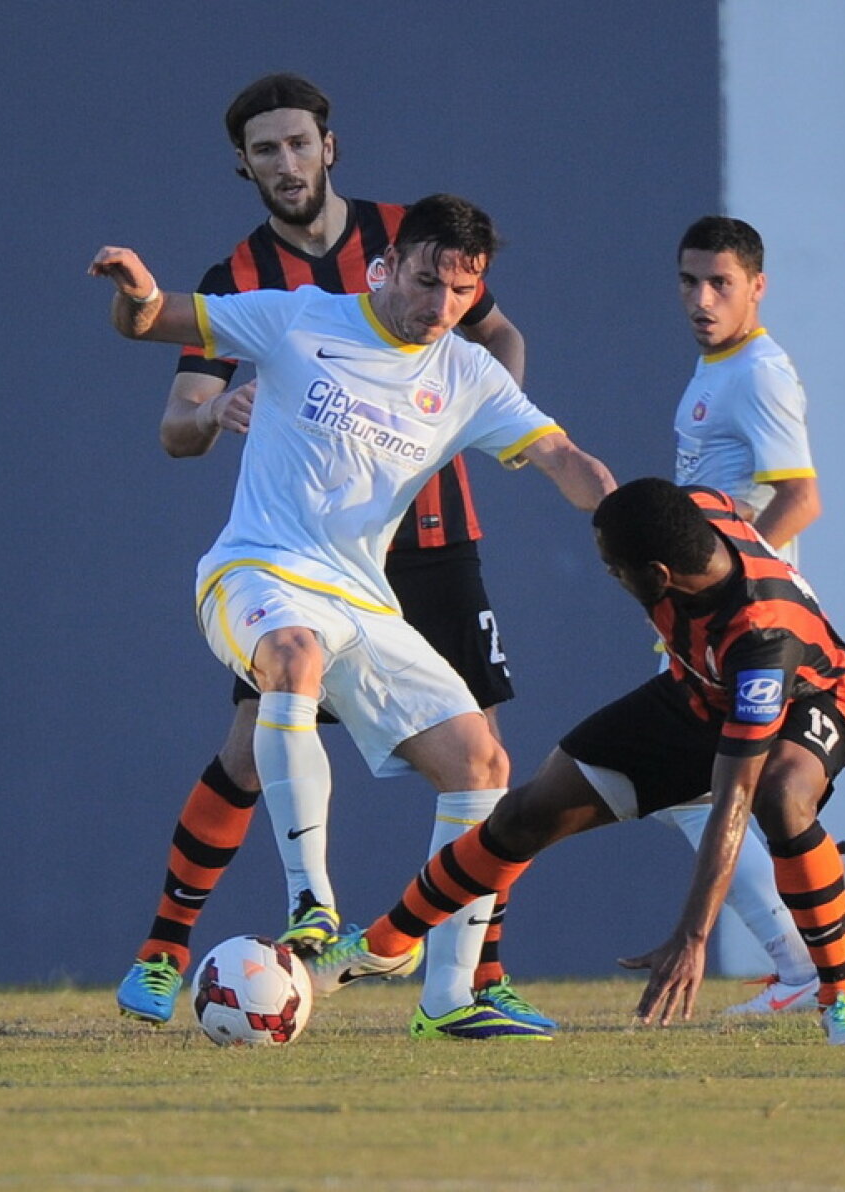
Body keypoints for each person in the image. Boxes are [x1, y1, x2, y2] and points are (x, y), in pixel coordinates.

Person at [89, 193, 617, 1040]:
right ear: (385, 268)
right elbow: (151, 321)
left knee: (481, 762)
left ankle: (449, 1000)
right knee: (290, 657)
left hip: (365, 600)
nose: (439, 306)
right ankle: (312, 907)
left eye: (460, 291)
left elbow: (561, 456)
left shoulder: (466, 374)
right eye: (425, 281)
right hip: (256, 569)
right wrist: (138, 292)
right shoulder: (297, 319)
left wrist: (627, 519)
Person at [307, 478, 845, 1047]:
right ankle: (383, 946)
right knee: (524, 816)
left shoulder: (760, 640)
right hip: (697, 695)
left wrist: (692, 935)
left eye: (615, 566)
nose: (610, 573)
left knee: (780, 797)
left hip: (810, 698)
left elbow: (732, 798)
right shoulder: (696, 512)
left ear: (659, 575)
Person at [653, 215, 845, 1016]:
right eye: (688, 281)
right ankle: (802, 942)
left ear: (757, 287)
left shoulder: (759, 372)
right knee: (702, 792)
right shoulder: (719, 366)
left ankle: (800, 960)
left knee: (697, 790)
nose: (701, 299)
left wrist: (730, 589)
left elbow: (801, 496)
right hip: (704, 623)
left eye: (721, 283)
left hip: (737, 629)